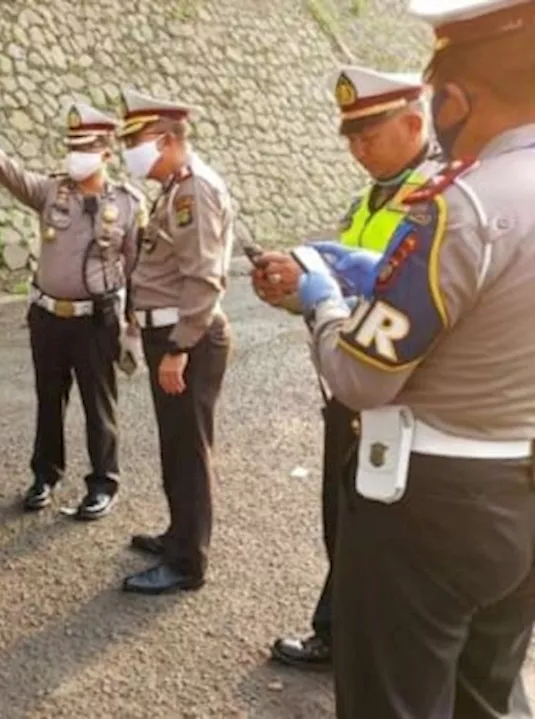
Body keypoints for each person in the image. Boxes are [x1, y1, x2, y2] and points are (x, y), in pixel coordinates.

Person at [293, 0, 536, 714]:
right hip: (520, 485)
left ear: (455, 98)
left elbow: (361, 377)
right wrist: (387, 273)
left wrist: (323, 305)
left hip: (430, 500)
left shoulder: (457, 206)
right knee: (487, 696)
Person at [251, 66, 441, 671]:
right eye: (351, 141)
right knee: (346, 518)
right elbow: (333, 288)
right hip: (350, 382)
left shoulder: (439, 197)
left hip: (404, 390)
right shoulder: (368, 199)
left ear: (414, 123)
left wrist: (328, 293)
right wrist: (289, 290)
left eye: (370, 137)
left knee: (392, 531)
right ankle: (340, 632)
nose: (359, 152)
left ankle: (376, 648)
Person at [0, 103, 144, 520]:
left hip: (96, 320)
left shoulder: (129, 204)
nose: (75, 155)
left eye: (85, 148)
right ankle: (45, 476)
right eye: (71, 146)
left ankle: (102, 483)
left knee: (99, 405)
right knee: (48, 400)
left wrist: (133, 329)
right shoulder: (52, 191)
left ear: (106, 153)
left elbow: (137, 271)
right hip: (48, 317)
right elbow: (19, 181)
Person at [116, 88, 235, 595]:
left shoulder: (194, 192)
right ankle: (178, 535)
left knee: (188, 450)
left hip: (188, 337)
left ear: (165, 140)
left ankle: (188, 564)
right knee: (176, 445)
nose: (129, 152)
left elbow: (205, 277)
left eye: (136, 141)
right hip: (170, 331)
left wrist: (180, 347)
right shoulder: (174, 188)